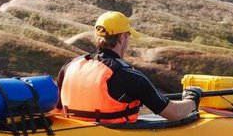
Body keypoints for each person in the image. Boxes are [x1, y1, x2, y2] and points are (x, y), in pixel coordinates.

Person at [57, 11, 202, 123]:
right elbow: (174, 113)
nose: (128, 40)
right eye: (128, 36)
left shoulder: (70, 65)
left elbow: (56, 108)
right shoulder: (129, 76)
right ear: (121, 38)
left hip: (73, 134)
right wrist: (192, 99)